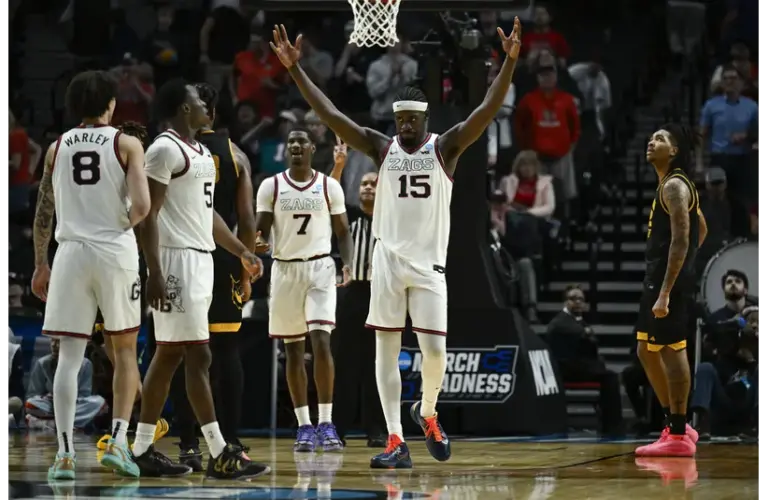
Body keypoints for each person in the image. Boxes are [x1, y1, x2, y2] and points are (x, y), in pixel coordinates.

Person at [270, 18, 523, 468]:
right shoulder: (380, 146)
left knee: (435, 353)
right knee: (385, 352)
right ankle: (394, 440)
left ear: (425, 120)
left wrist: (508, 64)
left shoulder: (444, 148)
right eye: (400, 119)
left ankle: (427, 413)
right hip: (386, 262)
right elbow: (330, 115)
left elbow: (486, 109)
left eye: (412, 119)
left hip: (428, 266)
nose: (405, 125)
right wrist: (295, 70)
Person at [132, 78, 267, 479]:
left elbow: (206, 216)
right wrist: (154, 272)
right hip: (176, 263)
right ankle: (219, 451)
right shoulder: (162, 149)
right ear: (183, 109)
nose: (207, 105)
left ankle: (140, 448)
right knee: (197, 354)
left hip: (202, 258)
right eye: (197, 100)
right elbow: (148, 216)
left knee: (171, 354)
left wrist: (241, 251)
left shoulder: (202, 152)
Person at [30, 70, 152, 480]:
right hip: (113, 249)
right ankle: (118, 441)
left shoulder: (55, 147)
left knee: (68, 356)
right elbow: (142, 206)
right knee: (124, 352)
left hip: (69, 254)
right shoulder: (126, 143)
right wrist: (119, 224)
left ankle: (64, 454)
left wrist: (40, 264)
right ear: (111, 105)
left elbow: (43, 212)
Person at [165, 82, 259, 471]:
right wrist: (245, 264)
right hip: (218, 259)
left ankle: (188, 442)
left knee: (178, 353)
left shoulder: (175, 149)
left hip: (182, 253)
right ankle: (230, 439)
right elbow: (247, 216)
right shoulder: (234, 154)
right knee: (223, 352)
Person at [254, 125, 353, 452]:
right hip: (284, 270)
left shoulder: (328, 187)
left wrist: (348, 263)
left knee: (321, 342)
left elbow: (343, 231)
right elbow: (261, 229)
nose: (296, 146)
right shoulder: (270, 185)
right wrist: (257, 243)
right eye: (291, 142)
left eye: (302, 142)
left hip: (320, 269)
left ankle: (326, 421)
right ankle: (304, 426)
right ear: (287, 149)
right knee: (293, 350)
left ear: (312, 148)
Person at [634, 123, 707, 457]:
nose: (652, 141)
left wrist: (668, 289)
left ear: (674, 151)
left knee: (671, 351)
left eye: (660, 139)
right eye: (651, 137)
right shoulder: (670, 184)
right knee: (646, 351)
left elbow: (683, 238)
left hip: (668, 282)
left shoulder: (675, 186)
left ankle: (678, 433)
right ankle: (673, 423)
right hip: (659, 279)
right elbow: (701, 227)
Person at [330, 142, 386, 447]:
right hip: (351, 295)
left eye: (374, 184)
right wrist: (339, 165)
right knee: (345, 363)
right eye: (364, 184)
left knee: (376, 365)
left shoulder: (391, 220)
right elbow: (329, 195)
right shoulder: (348, 216)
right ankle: (338, 428)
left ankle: (376, 429)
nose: (367, 189)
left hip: (380, 295)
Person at [25, 339, 106, 431]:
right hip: (50, 405)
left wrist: (69, 397)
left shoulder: (85, 364)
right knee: (31, 403)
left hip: (74, 405)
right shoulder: (42, 363)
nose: (54, 345)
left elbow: (85, 394)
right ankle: (70, 424)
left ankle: (52, 424)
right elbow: (32, 394)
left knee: (99, 402)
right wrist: (50, 397)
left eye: (59, 342)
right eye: (52, 341)